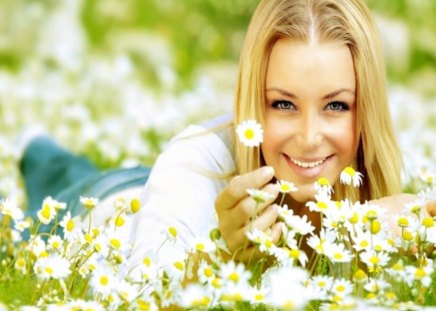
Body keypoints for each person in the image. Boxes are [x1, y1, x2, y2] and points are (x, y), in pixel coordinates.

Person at [19, 0, 435, 270]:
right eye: (283, 104)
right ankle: (34, 146)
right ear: (254, 102)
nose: (309, 137)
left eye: (336, 106)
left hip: (153, 189)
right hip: (100, 209)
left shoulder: (373, 185)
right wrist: (220, 254)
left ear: (365, 111)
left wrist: (407, 233)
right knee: (52, 174)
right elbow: (143, 284)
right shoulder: (194, 160)